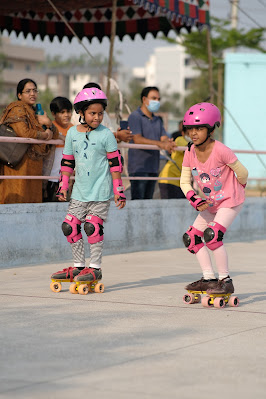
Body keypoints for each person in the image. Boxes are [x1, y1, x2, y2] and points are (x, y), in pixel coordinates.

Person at [50, 87, 126, 284]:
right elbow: (67, 162)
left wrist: (118, 190)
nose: (98, 117)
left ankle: (95, 268)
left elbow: (115, 165)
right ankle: (78, 267)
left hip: (101, 191)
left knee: (92, 227)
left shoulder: (106, 135)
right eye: (93, 113)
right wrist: (63, 186)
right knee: (70, 226)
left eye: (100, 113)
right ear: (81, 113)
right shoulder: (72, 134)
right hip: (79, 192)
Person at [180, 102, 248, 295]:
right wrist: (195, 199)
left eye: (199, 128)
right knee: (191, 238)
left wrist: (237, 188)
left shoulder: (221, 150)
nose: (193, 133)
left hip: (230, 201)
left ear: (210, 129)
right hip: (211, 203)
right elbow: (184, 182)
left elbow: (242, 173)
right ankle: (209, 278)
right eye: (190, 128)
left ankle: (225, 280)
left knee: (212, 236)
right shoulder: (189, 151)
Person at [0, 78, 58, 204]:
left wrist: (48, 124)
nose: (32, 94)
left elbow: (56, 134)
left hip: (34, 163)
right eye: (28, 91)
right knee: (17, 199)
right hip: (19, 163)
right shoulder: (17, 109)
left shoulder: (36, 111)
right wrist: (44, 134)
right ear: (19, 95)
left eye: (35, 90)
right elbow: (23, 132)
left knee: (33, 202)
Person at [128, 86, 176, 200]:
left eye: (158, 99)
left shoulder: (158, 120)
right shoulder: (135, 117)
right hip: (139, 168)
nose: (157, 101)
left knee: (148, 203)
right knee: (138, 204)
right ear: (144, 99)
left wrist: (167, 143)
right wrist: (160, 144)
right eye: (154, 98)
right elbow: (137, 139)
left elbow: (163, 137)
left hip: (153, 167)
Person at [43, 96, 73, 202]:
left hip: (66, 178)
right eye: (62, 112)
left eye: (68, 111)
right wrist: (59, 136)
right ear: (54, 114)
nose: (66, 115)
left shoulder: (73, 129)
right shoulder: (49, 127)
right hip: (51, 178)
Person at [158, 123, 188, 199]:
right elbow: (189, 151)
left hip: (180, 181)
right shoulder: (180, 139)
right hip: (170, 179)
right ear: (183, 133)